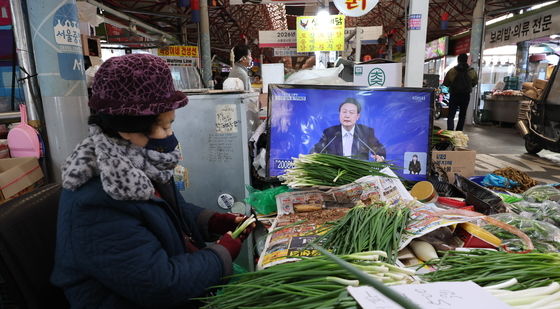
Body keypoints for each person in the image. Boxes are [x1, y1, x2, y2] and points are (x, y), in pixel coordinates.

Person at [51, 54, 254, 308]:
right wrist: (221, 254)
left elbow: (169, 212)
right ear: (128, 127)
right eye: (166, 127)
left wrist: (212, 220)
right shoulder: (99, 197)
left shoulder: (140, 162)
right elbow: (161, 284)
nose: (171, 137)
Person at [312, 98, 386, 161]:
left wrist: (380, 157)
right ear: (339, 114)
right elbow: (317, 149)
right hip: (334, 173)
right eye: (344, 112)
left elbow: (379, 149)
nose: (347, 116)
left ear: (357, 116)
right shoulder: (330, 132)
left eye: (351, 113)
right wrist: (313, 155)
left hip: (359, 174)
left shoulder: (366, 132)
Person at [442, 53, 478, 131]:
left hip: (454, 95)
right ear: (466, 60)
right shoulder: (472, 71)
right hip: (465, 95)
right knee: (462, 115)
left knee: (451, 115)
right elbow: (474, 83)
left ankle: (450, 132)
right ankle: (459, 132)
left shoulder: (452, 71)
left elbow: (446, 83)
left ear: (458, 60)